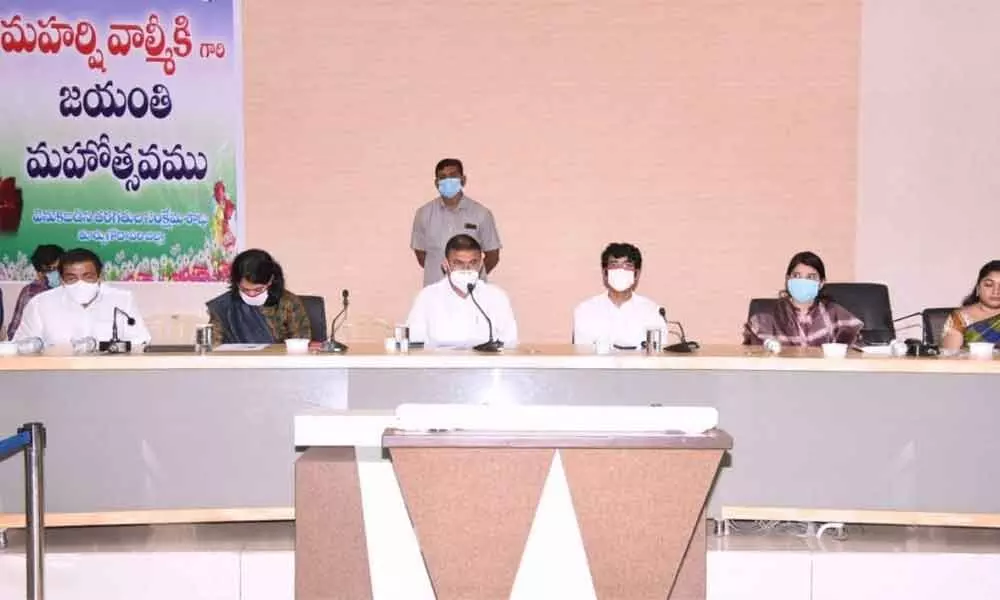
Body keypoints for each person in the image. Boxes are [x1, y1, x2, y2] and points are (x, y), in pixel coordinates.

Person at [13, 247, 151, 348]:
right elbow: (20, 346)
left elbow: (141, 341)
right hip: (56, 379)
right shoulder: (40, 304)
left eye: (87, 276)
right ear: (61, 280)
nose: (80, 283)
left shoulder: (122, 300)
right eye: (72, 278)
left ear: (99, 276)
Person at [406, 234, 517, 348]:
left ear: (481, 265)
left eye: (473, 263)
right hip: (440, 364)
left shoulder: (497, 297)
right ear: (446, 265)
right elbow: (414, 344)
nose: (466, 269)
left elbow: (509, 344)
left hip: (485, 365)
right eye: (458, 263)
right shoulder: (427, 297)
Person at [410, 158, 502, 287]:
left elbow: (493, 255)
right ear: (436, 183)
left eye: (453, 176)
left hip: (471, 292)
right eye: (443, 177)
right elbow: (421, 256)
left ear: (463, 180)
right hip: (436, 291)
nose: (448, 181)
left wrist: (471, 277)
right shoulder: (423, 214)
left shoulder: (481, 214)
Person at [744, 251, 863, 347]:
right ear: (787, 279)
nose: (803, 281)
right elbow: (753, 357)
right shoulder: (767, 317)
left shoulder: (835, 314)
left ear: (821, 283)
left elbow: (856, 354)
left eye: (810, 277)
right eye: (797, 276)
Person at [206, 249, 311, 345]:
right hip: (235, 363)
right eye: (245, 289)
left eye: (258, 289)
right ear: (236, 282)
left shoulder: (289, 302)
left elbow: (300, 343)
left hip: (278, 363)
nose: (251, 294)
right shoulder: (224, 307)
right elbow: (213, 345)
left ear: (270, 280)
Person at [573, 242, 665, 348]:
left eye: (627, 265)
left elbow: (659, 358)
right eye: (614, 265)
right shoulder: (585, 310)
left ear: (637, 274)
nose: (620, 270)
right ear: (604, 273)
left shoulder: (653, 311)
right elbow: (581, 357)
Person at [6, 244, 64, 339]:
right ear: (39, 272)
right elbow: (14, 331)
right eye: (49, 270)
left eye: (58, 269)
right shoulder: (31, 292)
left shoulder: (72, 290)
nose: (55, 273)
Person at [940, 260, 1000, 351]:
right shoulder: (960, 318)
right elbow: (951, 357)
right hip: (970, 364)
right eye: (989, 285)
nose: (996, 291)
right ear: (978, 288)